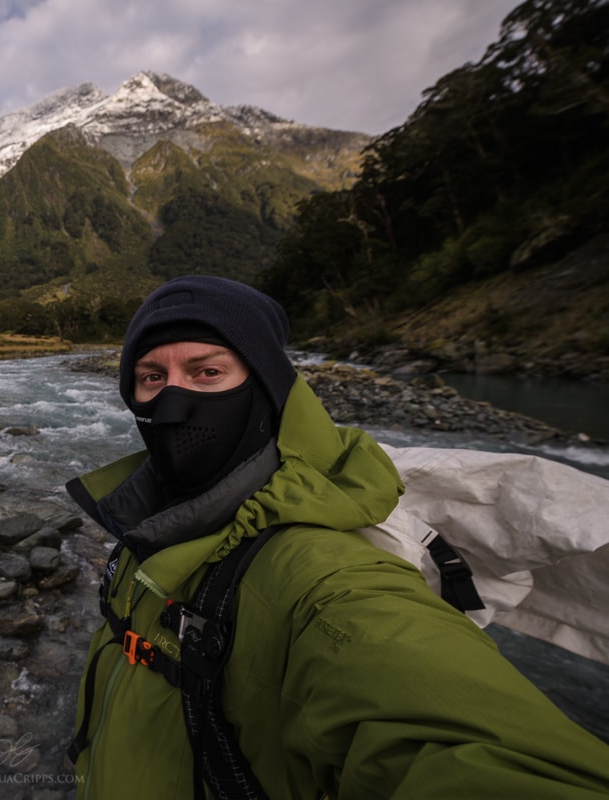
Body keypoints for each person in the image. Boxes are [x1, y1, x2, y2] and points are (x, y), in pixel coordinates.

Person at [64, 275, 609, 798]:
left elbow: (462, 745)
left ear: (268, 389)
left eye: (208, 373)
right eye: (151, 377)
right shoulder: (150, 520)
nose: (173, 401)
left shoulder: (329, 577)